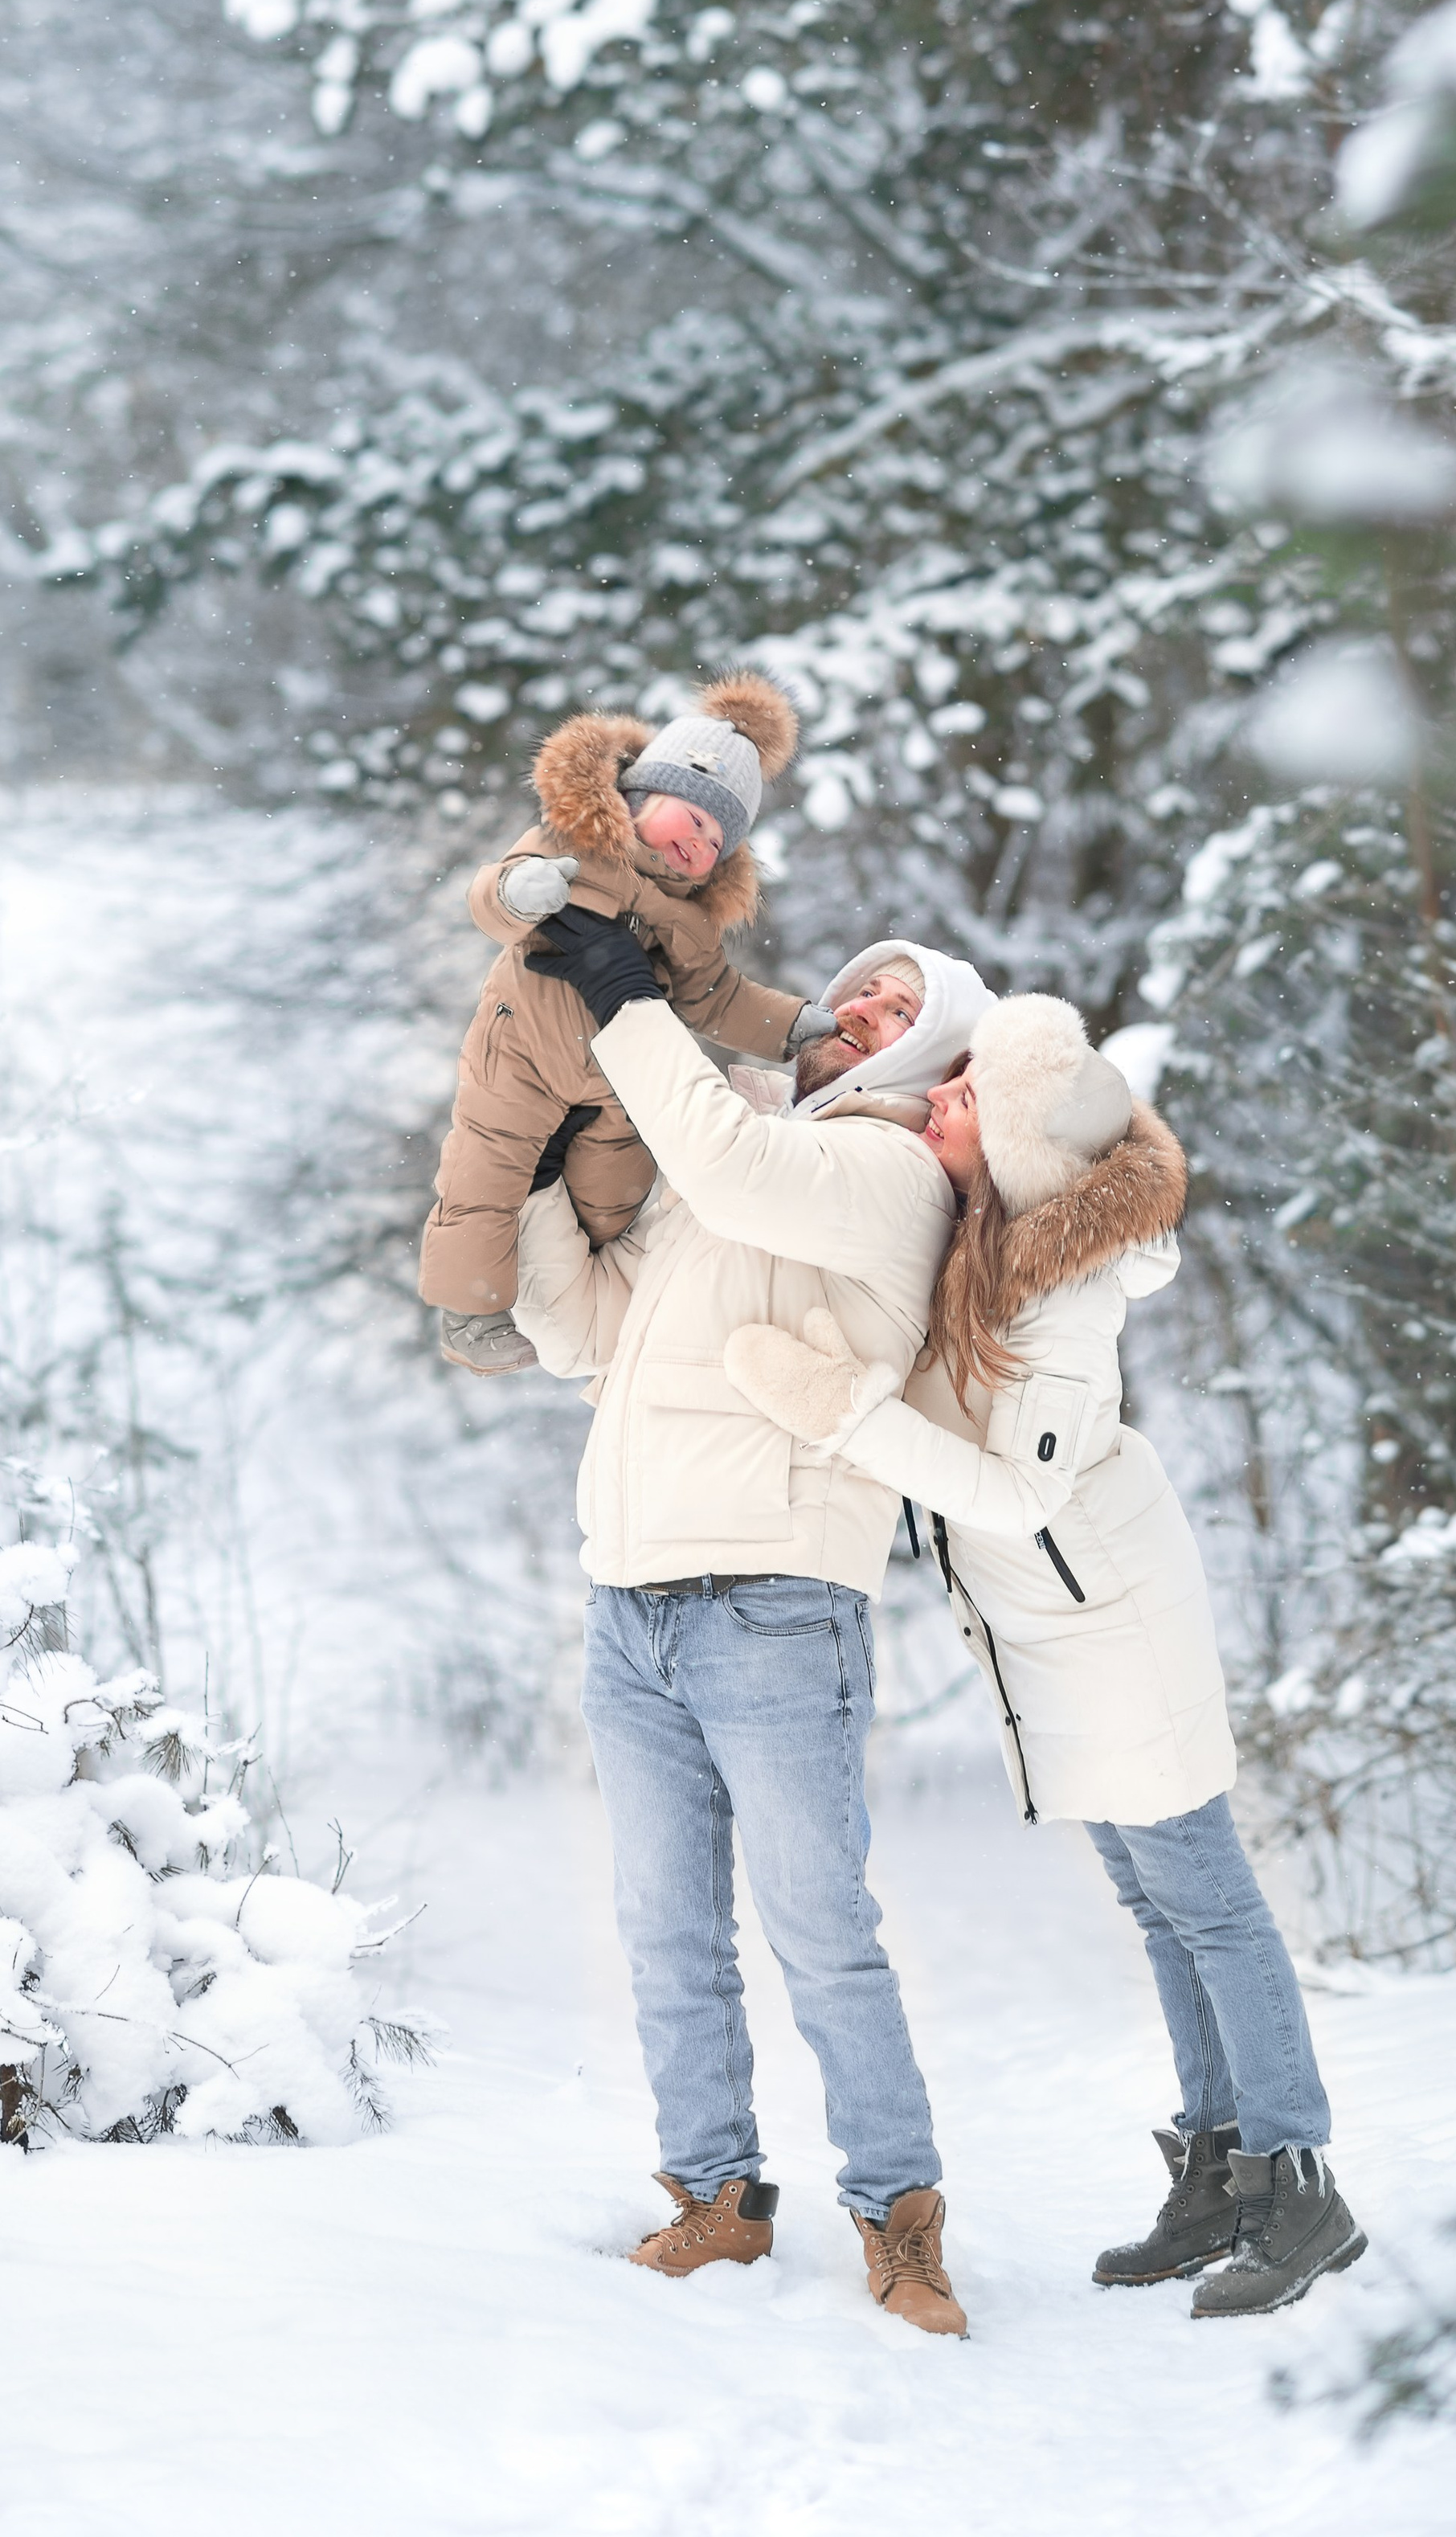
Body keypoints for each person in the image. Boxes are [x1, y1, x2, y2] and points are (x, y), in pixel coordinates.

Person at [722, 993, 1367, 2320]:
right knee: (1158, 1901)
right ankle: (1215, 2169)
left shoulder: (1062, 1289)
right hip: (1056, 1639)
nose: (937, 1099)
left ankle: (1299, 2186)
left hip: (1115, 1627)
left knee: (1210, 1896)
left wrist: (841, 1415)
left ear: (1017, 1137)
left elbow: (1013, 1497)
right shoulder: (983, 1236)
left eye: (964, 1092)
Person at [508, 915, 994, 2334]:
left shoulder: (888, 1174)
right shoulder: (749, 1151)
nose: (865, 1004)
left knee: (819, 1928)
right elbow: (594, 1339)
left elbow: (726, 1156)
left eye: (899, 999)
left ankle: (901, 2216)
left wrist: (620, 1002)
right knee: (664, 1930)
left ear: (934, 1046)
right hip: (632, 1598)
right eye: (854, 988)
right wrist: (538, 1192)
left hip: (777, 1599)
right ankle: (716, 2200)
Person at [419, 674, 836, 1374]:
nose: (698, 845)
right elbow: (489, 896)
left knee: (616, 1195)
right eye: (692, 819)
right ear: (641, 796)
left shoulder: (692, 920)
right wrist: (520, 892)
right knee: (486, 1173)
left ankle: (602, 1286)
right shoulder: (571, 846)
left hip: (618, 1080)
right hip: (521, 1048)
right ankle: (472, 1309)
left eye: (715, 841)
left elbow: (717, 998)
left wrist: (793, 1026)